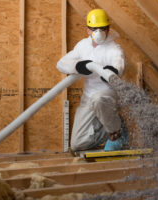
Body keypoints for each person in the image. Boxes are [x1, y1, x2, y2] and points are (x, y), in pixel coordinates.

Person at [57, 9, 128, 152]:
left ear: (108, 28)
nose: (99, 32)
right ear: (88, 30)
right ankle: (116, 124)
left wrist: (109, 71)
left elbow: (118, 66)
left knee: (99, 99)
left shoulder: (114, 49)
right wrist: (78, 66)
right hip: (87, 98)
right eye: (95, 29)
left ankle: (117, 133)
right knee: (78, 144)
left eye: (102, 28)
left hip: (107, 96)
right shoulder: (82, 45)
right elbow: (61, 64)